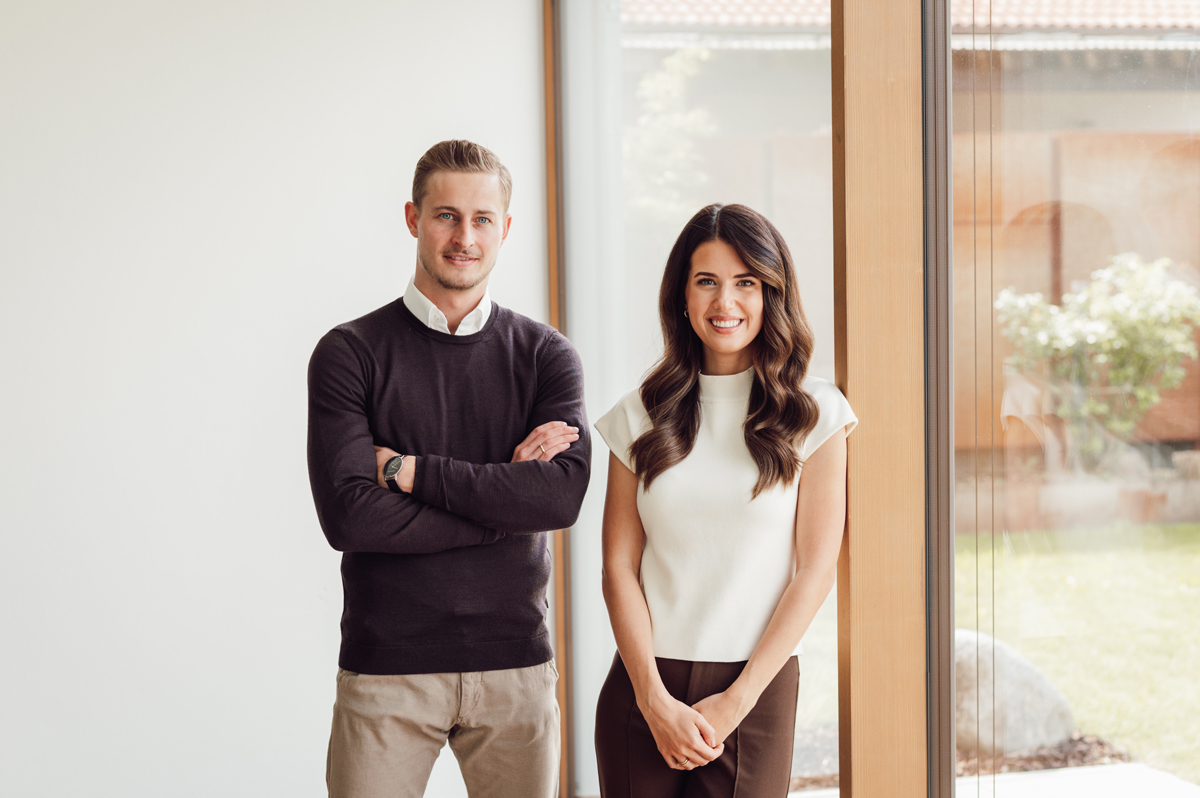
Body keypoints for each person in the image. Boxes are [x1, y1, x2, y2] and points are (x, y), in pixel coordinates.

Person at [307, 139, 590, 798]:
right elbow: (350, 516)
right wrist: (502, 505)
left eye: (482, 219)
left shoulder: (547, 356)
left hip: (515, 670)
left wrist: (408, 471)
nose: (464, 236)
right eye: (446, 216)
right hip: (387, 672)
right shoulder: (350, 353)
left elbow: (558, 501)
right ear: (413, 218)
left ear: (505, 228)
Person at [593, 203, 857, 796]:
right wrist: (653, 700)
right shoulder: (637, 416)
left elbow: (816, 569)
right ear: (681, 296)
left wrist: (736, 702)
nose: (724, 303)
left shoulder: (816, 416)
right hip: (643, 691)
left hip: (753, 692)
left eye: (746, 284)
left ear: (772, 294)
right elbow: (617, 568)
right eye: (706, 281)